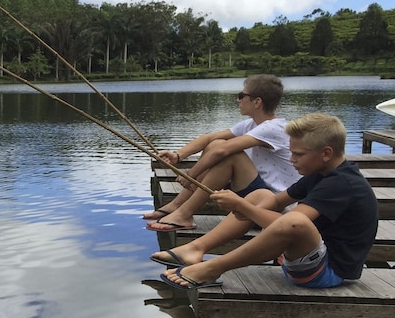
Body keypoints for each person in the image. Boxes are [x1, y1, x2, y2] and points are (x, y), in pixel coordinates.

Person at [153, 112, 378, 289]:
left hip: (327, 273)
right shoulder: (319, 175)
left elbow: (293, 225)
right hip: (306, 258)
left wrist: (242, 206)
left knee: (295, 222)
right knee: (261, 195)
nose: (292, 160)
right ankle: (195, 248)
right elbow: (276, 202)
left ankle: (212, 268)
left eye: (298, 155)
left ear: (326, 153)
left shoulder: (341, 184)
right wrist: (245, 207)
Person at [145, 74, 299, 232]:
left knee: (230, 154)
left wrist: (191, 174)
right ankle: (177, 206)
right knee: (216, 143)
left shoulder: (274, 128)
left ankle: (184, 213)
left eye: (241, 96)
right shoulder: (251, 125)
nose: (238, 100)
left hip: (271, 208)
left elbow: (223, 151)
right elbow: (210, 139)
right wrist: (178, 155)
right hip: (255, 196)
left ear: (257, 102)